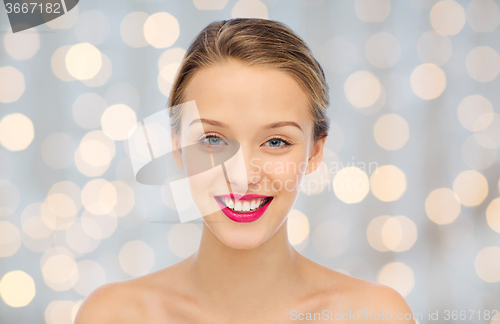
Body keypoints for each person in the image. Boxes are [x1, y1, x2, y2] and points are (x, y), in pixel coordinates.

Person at [75, 18, 415, 323]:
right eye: (212, 139)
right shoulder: (113, 315)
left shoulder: (375, 315)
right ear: (177, 146)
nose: (241, 176)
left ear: (315, 151)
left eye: (276, 142)